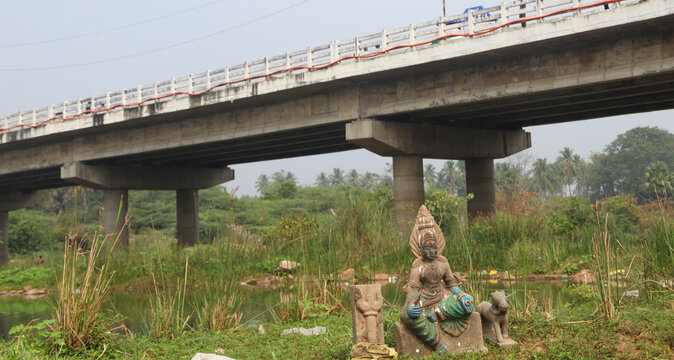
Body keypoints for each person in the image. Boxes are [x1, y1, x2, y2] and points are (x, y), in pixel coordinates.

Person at [400, 206, 474, 353]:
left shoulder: (443, 262)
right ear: (420, 249)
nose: (432, 251)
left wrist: (461, 295)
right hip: (424, 301)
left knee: (468, 302)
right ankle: (437, 344)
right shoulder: (418, 266)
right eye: (427, 248)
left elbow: (452, 285)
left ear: (438, 246)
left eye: (434, 247)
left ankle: (438, 312)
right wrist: (411, 306)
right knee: (406, 316)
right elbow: (413, 291)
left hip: (443, 298)